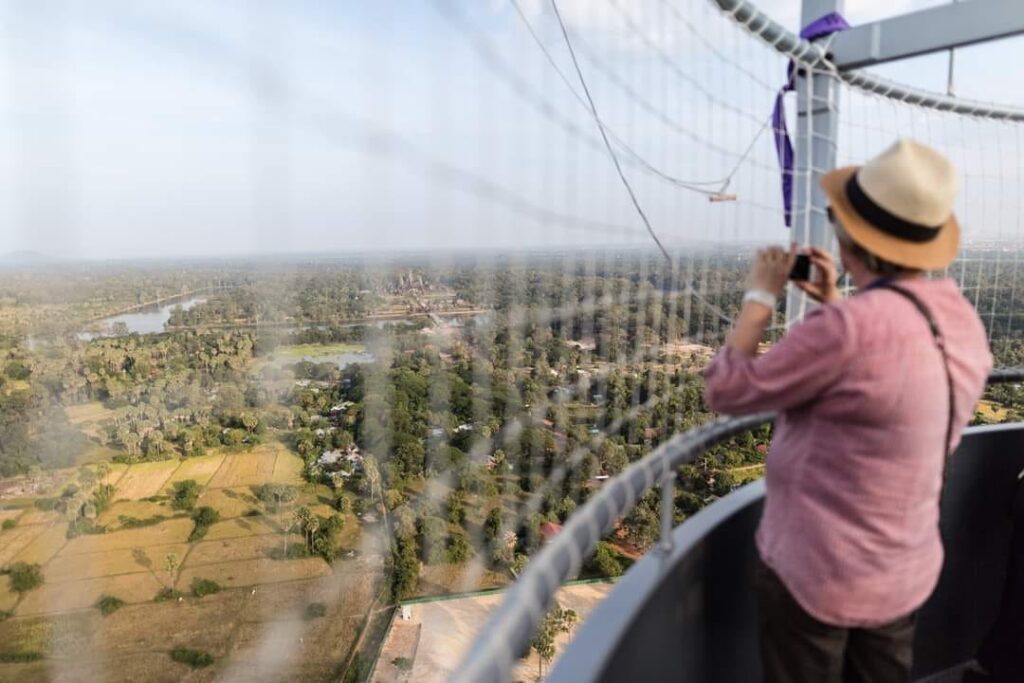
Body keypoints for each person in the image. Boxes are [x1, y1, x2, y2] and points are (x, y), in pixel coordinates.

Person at [703, 139, 993, 682]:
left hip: (818, 572)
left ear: (851, 234)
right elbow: (889, 371)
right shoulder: (960, 320)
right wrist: (837, 300)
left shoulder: (847, 330)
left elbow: (727, 390)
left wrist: (760, 297)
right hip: (902, 566)